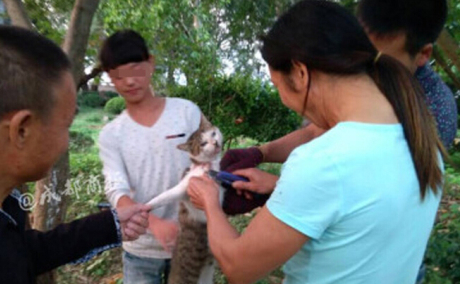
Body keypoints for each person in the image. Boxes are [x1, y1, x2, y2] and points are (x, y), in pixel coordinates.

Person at [187, 1, 445, 283]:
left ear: (300, 72)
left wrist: (210, 202)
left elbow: (239, 267)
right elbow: (358, 221)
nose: (285, 100)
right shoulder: (423, 141)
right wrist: (278, 189)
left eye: (277, 86)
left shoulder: (324, 161)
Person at [0, 26, 149, 284]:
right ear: (21, 130)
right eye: (66, 125)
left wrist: (109, 225)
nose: (67, 141)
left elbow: (16, 254)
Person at [221, 0, 457, 216]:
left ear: (423, 54)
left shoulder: (434, 109)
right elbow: (318, 131)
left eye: (378, 59)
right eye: (358, 52)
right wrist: (262, 153)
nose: (362, 67)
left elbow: (381, 200)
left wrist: (282, 189)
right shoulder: (359, 82)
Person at [98, 30, 203, 284]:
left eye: (136, 69)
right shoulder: (111, 134)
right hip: (140, 252)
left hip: (188, 244)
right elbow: (116, 187)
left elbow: (204, 166)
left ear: (151, 63)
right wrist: (154, 223)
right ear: (111, 78)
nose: (130, 82)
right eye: (119, 75)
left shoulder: (186, 112)